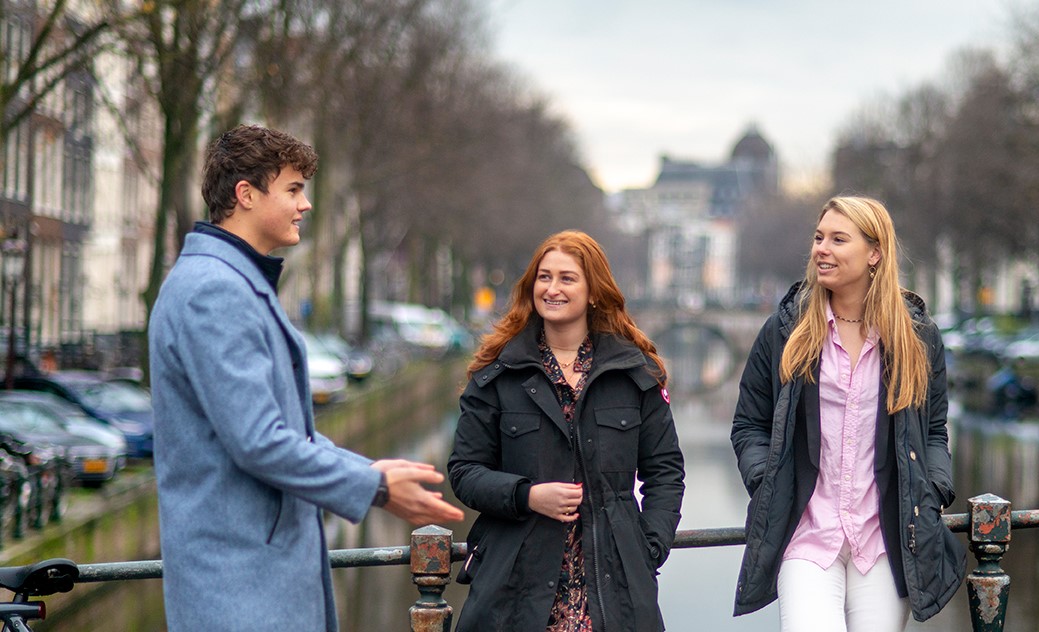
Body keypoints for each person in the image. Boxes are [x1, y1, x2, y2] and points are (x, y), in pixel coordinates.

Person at [149, 124, 464, 632]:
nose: (306, 204)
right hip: (242, 590)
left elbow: (284, 434)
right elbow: (258, 442)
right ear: (246, 195)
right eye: (293, 189)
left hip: (253, 583)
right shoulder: (215, 291)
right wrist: (375, 486)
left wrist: (369, 470)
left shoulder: (232, 282)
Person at [730, 196, 965, 630]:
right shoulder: (786, 330)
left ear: (874, 253)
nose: (822, 249)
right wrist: (768, 481)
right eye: (819, 238)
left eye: (838, 239)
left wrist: (931, 493)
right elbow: (749, 424)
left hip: (884, 540)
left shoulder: (917, 337)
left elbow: (934, 431)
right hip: (807, 535)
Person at [448, 230, 685, 632]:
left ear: (593, 292)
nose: (552, 289)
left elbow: (665, 472)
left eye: (567, 278)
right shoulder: (498, 374)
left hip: (613, 593)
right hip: (514, 591)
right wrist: (526, 496)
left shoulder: (635, 374)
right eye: (544, 277)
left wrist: (646, 550)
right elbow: (464, 472)